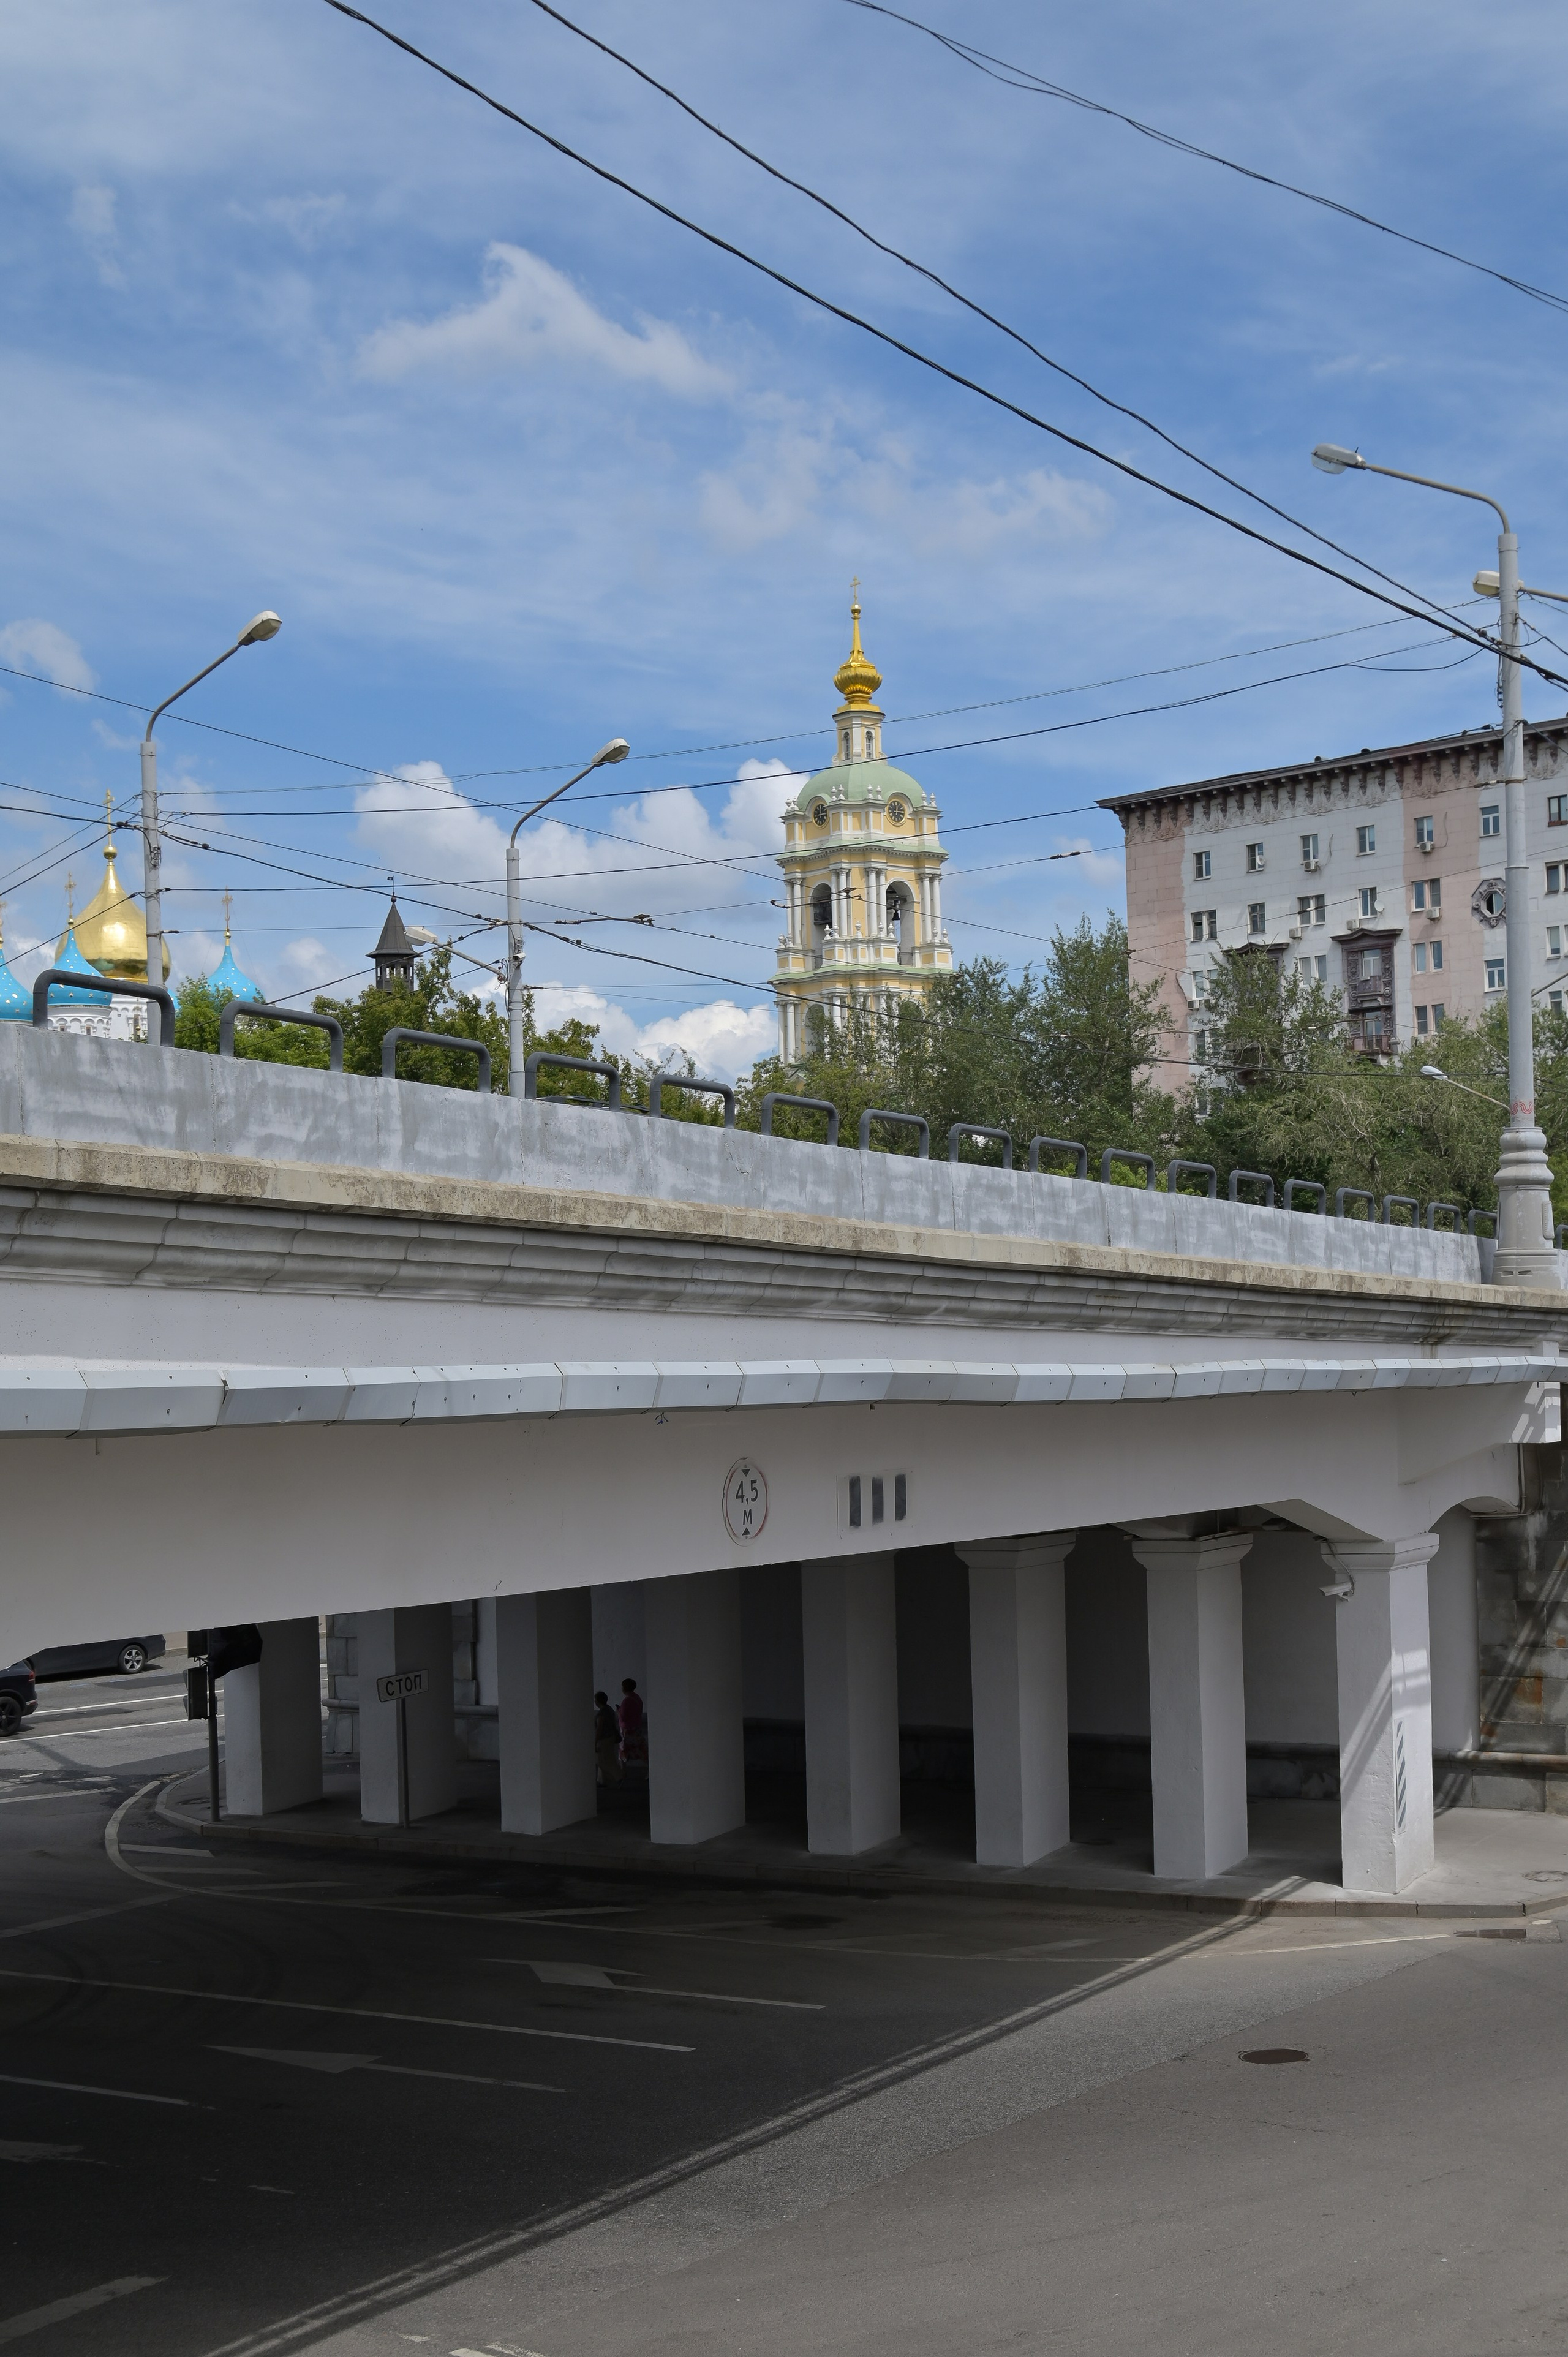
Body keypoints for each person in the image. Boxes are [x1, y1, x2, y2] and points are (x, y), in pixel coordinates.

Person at [618, 1676, 648, 1781]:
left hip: (627, 1730)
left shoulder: (626, 1701)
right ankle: (650, 1770)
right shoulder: (637, 1698)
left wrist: (619, 1712)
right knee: (641, 1749)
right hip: (637, 1728)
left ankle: (623, 1773)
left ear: (624, 1688)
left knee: (623, 1751)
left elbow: (623, 1717)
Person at [593, 1690, 622, 1786]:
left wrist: (595, 1741)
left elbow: (599, 1729)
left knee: (603, 1761)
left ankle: (618, 1778)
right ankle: (603, 1781)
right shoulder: (609, 1709)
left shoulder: (602, 1713)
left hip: (604, 1740)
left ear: (598, 1701)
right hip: (611, 1737)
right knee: (608, 1759)